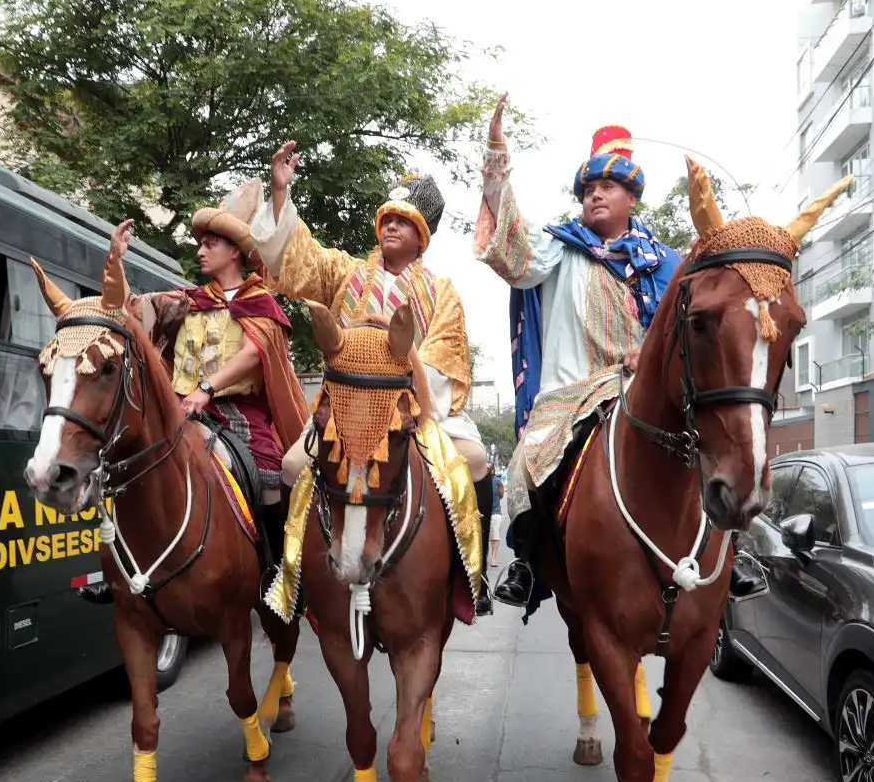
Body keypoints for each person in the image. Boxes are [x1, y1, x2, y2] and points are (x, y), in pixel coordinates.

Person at [251, 140, 497, 614]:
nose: (391, 227)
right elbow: (298, 259)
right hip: (343, 413)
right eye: (387, 219)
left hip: (412, 414)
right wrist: (281, 196)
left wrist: (402, 372)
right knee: (288, 467)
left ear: (422, 236)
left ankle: (470, 577)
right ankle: (288, 571)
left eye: (403, 221)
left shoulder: (441, 292)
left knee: (476, 460)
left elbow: (445, 358)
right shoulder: (345, 273)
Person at [474, 97, 683, 610]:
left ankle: (734, 552)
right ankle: (527, 558)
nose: (594, 197)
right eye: (588, 189)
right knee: (526, 460)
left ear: (632, 196)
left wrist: (651, 354)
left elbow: (686, 333)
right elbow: (512, 249)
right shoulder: (559, 248)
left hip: (642, 388)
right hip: (569, 395)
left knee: (714, 447)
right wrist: (497, 161)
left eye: (607, 186)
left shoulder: (669, 265)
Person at [78, 195, 308, 605]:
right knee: (129, 461)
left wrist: (208, 389)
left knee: (271, 477)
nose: (200, 251)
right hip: (179, 408)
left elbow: (254, 353)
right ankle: (119, 569)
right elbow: (127, 311)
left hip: (237, 412)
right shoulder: (186, 301)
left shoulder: (263, 304)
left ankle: (280, 570)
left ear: (233, 251)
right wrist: (115, 261)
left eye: (209, 244)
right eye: (200, 244)